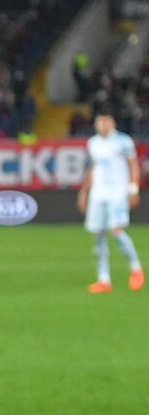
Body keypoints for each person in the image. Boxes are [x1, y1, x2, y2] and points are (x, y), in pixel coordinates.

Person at [80, 110, 142, 293]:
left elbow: (133, 165)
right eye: (99, 121)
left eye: (106, 121)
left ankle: (135, 268)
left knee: (116, 230)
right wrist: (84, 192)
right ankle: (103, 279)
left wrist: (133, 189)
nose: (102, 125)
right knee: (97, 234)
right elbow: (92, 168)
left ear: (112, 123)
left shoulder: (123, 141)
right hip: (98, 193)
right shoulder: (93, 143)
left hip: (117, 192)